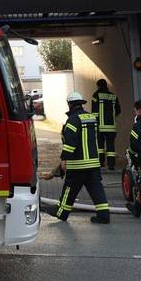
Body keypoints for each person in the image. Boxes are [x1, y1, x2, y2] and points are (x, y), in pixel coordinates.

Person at [53, 90, 110, 223]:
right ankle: (103, 216)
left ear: (70, 104)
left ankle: (61, 213)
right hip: (93, 164)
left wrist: (64, 160)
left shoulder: (72, 120)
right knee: (97, 190)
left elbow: (70, 144)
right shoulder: (91, 118)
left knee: (69, 189)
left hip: (78, 164)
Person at [91, 78, 121, 170]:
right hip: (111, 127)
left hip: (100, 126)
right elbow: (118, 110)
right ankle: (111, 165)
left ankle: (101, 163)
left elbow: (94, 112)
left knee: (100, 146)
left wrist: (94, 123)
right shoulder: (113, 96)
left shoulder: (96, 95)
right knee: (111, 146)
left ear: (98, 86)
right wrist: (111, 117)